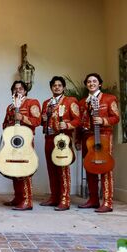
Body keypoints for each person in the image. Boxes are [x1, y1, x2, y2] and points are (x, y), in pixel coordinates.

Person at [76, 73, 119, 213]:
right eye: (89, 81)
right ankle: (93, 200)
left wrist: (103, 121)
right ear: (86, 84)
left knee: (105, 168)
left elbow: (116, 117)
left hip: (104, 136)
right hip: (87, 138)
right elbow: (79, 123)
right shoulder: (82, 102)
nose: (91, 83)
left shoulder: (109, 98)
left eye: (94, 81)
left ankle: (108, 202)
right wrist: (77, 139)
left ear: (99, 84)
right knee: (90, 168)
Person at [40, 76, 80, 211]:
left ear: (63, 87)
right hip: (49, 138)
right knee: (51, 169)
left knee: (62, 168)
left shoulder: (70, 101)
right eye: (54, 85)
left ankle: (65, 199)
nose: (57, 87)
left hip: (62, 138)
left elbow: (77, 120)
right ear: (51, 88)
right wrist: (43, 120)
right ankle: (54, 197)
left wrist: (67, 124)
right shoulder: (46, 103)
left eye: (59, 85)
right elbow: (42, 122)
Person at [2, 80, 41, 210]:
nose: (17, 91)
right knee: (14, 168)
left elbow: (38, 121)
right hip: (13, 143)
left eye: (20, 89)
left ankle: (27, 201)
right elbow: (4, 124)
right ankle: (18, 197)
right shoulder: (10, 107)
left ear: (25, 91)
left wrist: (23, 118)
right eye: (15, 89)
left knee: (25, 170)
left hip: (26, 142)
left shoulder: (32, 103)